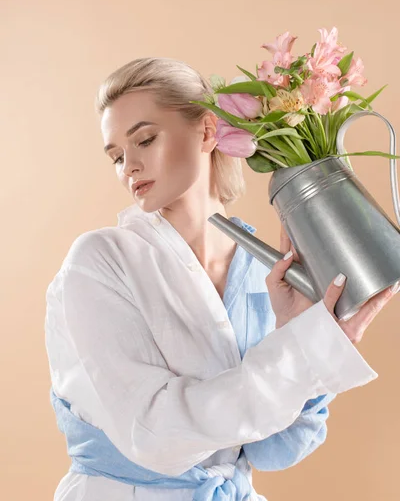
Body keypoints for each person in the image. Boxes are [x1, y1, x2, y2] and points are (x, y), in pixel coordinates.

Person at [45, 57, 398, 501]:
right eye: (116, 157)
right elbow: (156, 432)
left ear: (208, 132)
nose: (129, 167)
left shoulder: (262, 270)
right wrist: (304, 353)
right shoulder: (100, 262)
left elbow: (272, 450)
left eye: (145, 140)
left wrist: (302, 334)